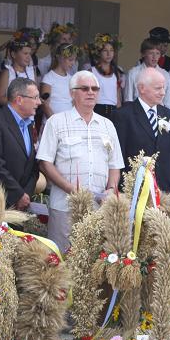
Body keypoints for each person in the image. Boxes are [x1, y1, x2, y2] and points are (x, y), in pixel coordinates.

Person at [37, 70, 125, 250]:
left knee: (95, 261)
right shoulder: (56, 122)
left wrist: (110, 189)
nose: (91, 92)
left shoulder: (108, 125)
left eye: (95, 89)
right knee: (62, 259)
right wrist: (71, 189)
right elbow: (45, 163)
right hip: (65, 207)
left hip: (98, 209)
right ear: (72, 93)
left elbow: (115, 165)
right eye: (85, 88)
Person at [112, 67, 170, 193]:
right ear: (142, 88)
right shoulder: (123, 116)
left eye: (163, 88)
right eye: (158, 88)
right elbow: (118, 157)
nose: (163, 93)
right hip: (133, 191)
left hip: (164, 191)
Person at [0, 78, 41, 210]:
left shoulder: (29, 126)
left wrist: (25, 196)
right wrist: (18, 195)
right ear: (19, 100)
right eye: (35, 97)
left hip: (20, 207)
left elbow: (33, 168)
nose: (39, 102)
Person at [123, 38, 170, 106]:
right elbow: (128, 99)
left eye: (157, 53)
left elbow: (167, 101)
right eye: (151, 53)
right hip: (138, 110)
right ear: (143, 54)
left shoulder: (165, 74)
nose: (154, 57)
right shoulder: (133, 73)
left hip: (158, 111)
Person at [0, 35, 37, 107]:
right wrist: (20, 103)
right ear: (13, 54)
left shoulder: (31, 71)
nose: (29, 57)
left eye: (30, 53)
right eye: (25, 53)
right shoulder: (7, 73)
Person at [89, 33, 123, 119]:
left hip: (113, 111)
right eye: (105, 50)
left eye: (111, 50)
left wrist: (119, 114)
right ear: (99, 52)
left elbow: (118, 97)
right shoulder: (92, 71)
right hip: (97, 109)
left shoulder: (116, 72)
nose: (109, 54)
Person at [40, 43, 79, 119]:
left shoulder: (71, 79)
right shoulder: (49, 78)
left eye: (74, 60)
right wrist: (55, 121)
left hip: (68, 120)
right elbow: (45, 104)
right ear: (60, 58)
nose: (73, 63)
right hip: (52, 121)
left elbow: (73, 102)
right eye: (70, 60)